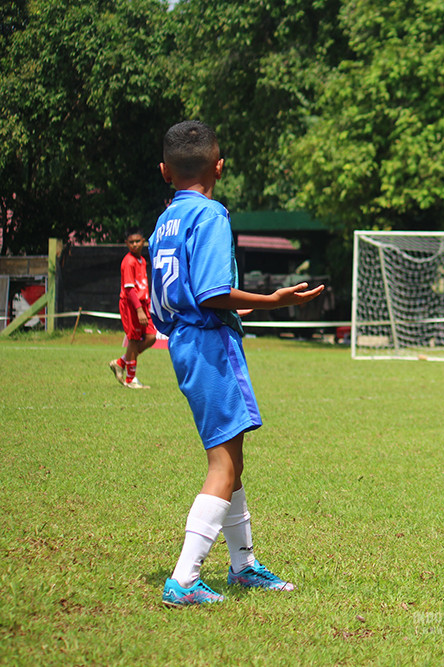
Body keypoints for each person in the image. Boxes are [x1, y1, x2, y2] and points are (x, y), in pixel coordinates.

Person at [149, 121, 324, 607]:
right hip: (210, 345)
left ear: (165, 172)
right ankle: (184, 580)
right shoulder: (211, 215)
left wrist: (225, 309)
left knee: (233, 459)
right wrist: (272, 299)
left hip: (186, 341)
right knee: (223, 464)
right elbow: (212, 292)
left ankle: (243, 566)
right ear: (219, 167)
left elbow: (169, 304)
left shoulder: (164, 222)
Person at [109, 227, 156, 389]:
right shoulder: (128, 261)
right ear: (126, 243)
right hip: (131, 304)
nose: (135, 244)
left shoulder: (142, 260)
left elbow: (142, 286)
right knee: (134, 339)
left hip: (143, 304)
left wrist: (147, 306)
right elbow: (129, 289)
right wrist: (138, 309)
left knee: (151, 337)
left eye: (138, 241)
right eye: (131, 242)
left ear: (144, 241)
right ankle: (130, 379)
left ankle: (121, 362)